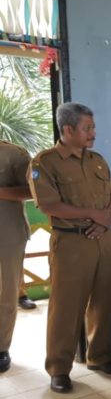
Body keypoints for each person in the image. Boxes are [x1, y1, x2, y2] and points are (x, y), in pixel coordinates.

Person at [27, 103, 111, 393]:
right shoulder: (45, 163)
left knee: (103, 300)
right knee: (66, 307)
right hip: (71, 242)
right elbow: (48, 205)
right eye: (88, 128)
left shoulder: (97, 160)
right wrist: (94, 215)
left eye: (93, 127)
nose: (93, 133)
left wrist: (106, 218)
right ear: (68, 129)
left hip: (103, 239)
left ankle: (99, 356)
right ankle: (59, 368)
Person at [0, 140, 32, 373]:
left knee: (5, 293)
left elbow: (33, 191)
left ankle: (1, 347)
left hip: (6, 234)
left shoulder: (14, 154)